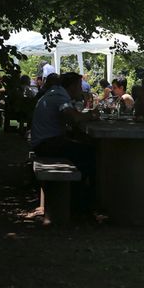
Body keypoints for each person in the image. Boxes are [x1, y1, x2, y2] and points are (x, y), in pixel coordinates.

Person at [30, 72, 99, 201]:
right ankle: (83, 199)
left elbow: (69, 118)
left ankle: (81, 195)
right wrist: (92, 115)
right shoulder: (60, 95)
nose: (81, 90)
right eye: (79, 86)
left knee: (84, 148)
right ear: (72, 86)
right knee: (91, 153)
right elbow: (73, 118)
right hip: (46, 144)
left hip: (44, 141)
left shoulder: (55, 92)